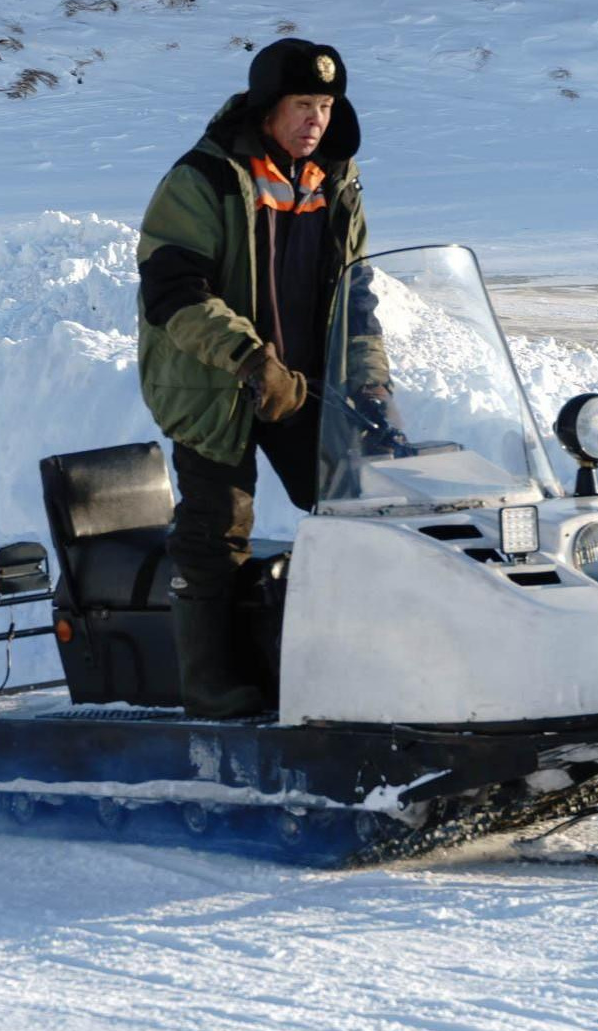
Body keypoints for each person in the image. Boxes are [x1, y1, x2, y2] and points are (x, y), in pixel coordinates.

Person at [135, 38, 392, 719]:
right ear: (265, 107)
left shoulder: (334, 179)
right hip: (214, 382)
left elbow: (356, 297)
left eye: (327, 105)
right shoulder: (204, 180)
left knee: (364, 508)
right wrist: (250, 360)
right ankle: (213, 690)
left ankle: (368, 666)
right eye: (303, 104)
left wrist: (370, 383)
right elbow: (173, 292)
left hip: (303, 383)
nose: (316, 119)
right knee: (216, 527)